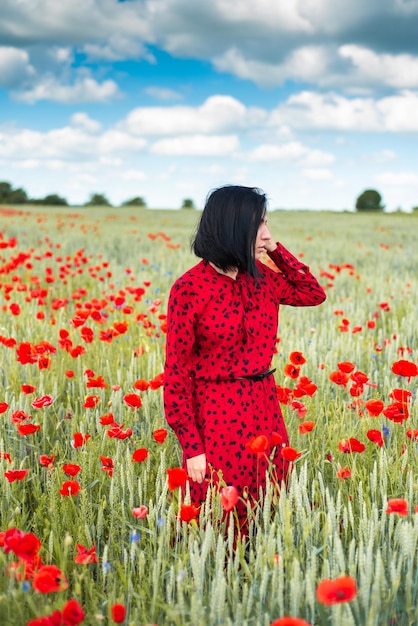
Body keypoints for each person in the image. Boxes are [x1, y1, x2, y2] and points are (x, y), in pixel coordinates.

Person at [163, 185, 326, 525]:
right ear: (233, 228)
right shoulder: (189, 289)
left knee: (271, 502)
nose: (266, 234)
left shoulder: (262, 278)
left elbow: (312, 293)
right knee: (221, 510)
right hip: (216, 411)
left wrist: (276, 249)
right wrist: (192, 447)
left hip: (264, 406)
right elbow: (176, 375)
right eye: (259, 226)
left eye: (266, 224)